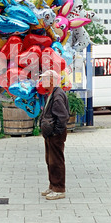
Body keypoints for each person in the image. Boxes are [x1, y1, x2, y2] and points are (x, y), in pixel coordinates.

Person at [39, 70, 70, 200]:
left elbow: (63, 117)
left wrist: (55, 132)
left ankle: (58, 188)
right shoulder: (51, 94)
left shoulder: (57, 96)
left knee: (56, 161)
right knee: (50, 160)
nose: (42, 82)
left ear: (52, 80)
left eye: (44, 79)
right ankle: (53, 185)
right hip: (50, 134)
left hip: (55, 134)